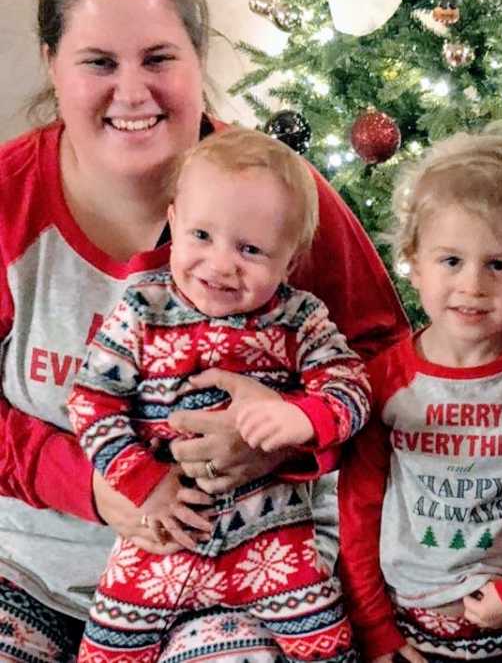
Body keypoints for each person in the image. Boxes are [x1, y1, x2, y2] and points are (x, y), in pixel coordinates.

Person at [0, 0, 407, 663]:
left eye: (159, 58)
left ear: (199, 58)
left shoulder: (277, 196)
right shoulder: (9, 200)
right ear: (52, 62)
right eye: (98, 62)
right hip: (32, 565)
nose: (132, 92)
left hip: (240, 569)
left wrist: (288, 435)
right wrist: (90, 484)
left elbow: (387, 361)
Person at [68, 128, 370, 661]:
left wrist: (301, 418)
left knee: (327, 644)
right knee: (106, 650)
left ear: (290, 260)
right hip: (161, 536)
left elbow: (351, 386)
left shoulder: (299, 318)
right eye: (202, 236)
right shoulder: (143, 309)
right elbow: (92, 403)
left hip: (271, 542)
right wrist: (143, 482)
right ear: (173, 222)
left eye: (251, 249)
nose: (221, 264)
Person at [338, 132, 502, 662]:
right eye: (451, 260)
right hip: (407, 629)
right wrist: (375, 626)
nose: (473, 285)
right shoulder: (384, 379)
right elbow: (359, 506)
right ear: (412, 262)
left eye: (498, 265)